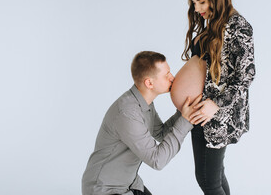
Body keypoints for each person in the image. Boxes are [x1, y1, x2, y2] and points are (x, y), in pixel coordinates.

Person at [81, 51, 202, 195]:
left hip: (130, 183)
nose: (172, 78)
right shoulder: (127, 113)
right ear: (149, 83)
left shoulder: (144, 103)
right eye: (167, 74)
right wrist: (185, 120)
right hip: (105, 190)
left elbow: (160, 133)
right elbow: (157, 160)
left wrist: (183, 112)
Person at [181, 0, 256, 194]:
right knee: (212, 176)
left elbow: (245, 76)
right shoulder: (213, 24)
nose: (197, 9)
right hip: (200, 112)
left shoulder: (238, 26)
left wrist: (215, 104)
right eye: (194, 3)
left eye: (201, 1)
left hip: (217, 116)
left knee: (208, 180)